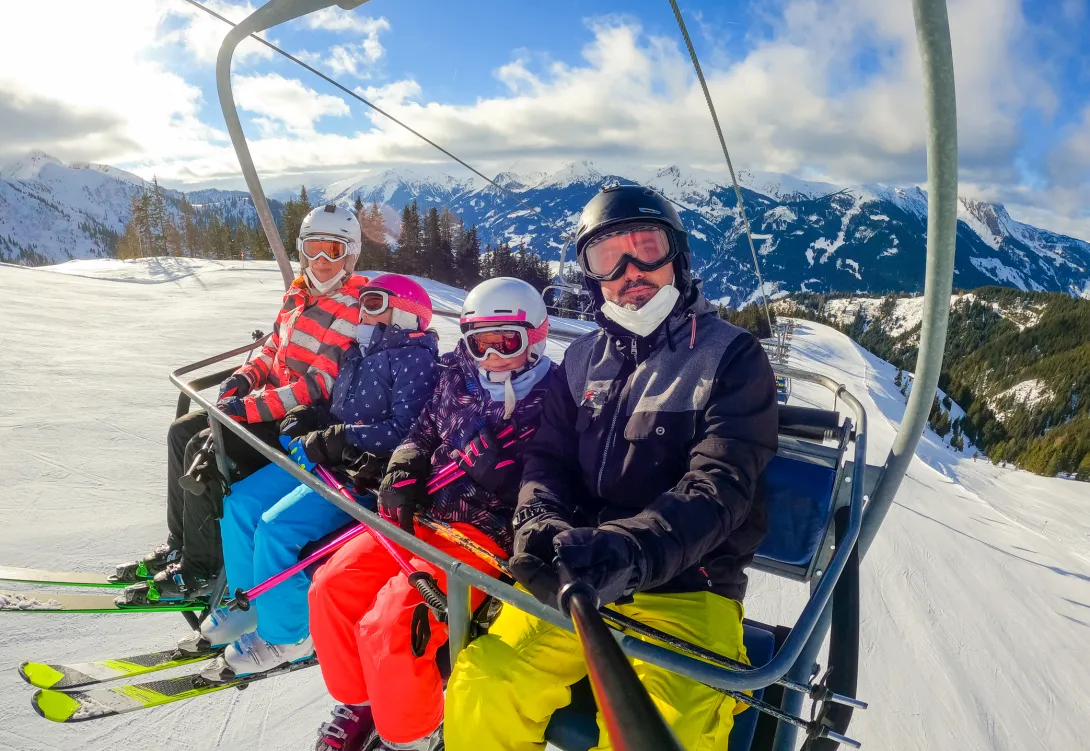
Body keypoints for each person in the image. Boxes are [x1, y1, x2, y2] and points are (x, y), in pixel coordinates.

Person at [444, 185, 779, 750]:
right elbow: (546, 461)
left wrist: (629, 550)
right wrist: (537, 521)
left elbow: (721, 485)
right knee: (484, 683)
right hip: (579, 576)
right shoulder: (580, 362)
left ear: (676, 256)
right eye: (607, 259)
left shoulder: (732, 357)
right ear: (591, 276)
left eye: (645, 248)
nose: (630, 271)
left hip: (688, 588)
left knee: (666, 730)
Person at [309, 278, 557, 751]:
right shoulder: (454, 374)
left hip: (482, 534)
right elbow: (422, 430)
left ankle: (413, 734)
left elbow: (563, 479)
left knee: (394, 623)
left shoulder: (555, 399)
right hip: (425, 516)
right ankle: (365, 704)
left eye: (506, 342)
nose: (489, 358)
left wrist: (507, 481)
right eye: (477, 343)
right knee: (332, 587)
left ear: (535, 339)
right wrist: (405, 462)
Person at [172, 275, 441, 680]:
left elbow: (404, 429)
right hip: (327, 460)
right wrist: (309, 418)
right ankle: (250, 606)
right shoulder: (357, 351)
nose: (363, 313)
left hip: (361, 471)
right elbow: (334, 406)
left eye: (374, 303)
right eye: (364, 304)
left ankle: (288, 635)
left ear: (405, 313)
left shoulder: (415, 360)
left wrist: (336, 439)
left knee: (277, 528)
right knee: (240, 503)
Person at [120, 204, 369, 602]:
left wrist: (248, 408)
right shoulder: (299, 292)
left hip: (299, 421)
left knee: (205, 448)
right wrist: (245, 376)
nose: (321, 261)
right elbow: (272, 347)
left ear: (350, 255)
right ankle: (178, 543)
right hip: (267, 405)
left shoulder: (353, 307)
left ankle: (199, 569)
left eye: (333, 251)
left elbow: (319, 384)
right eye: (314, 248)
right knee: (180, 431)